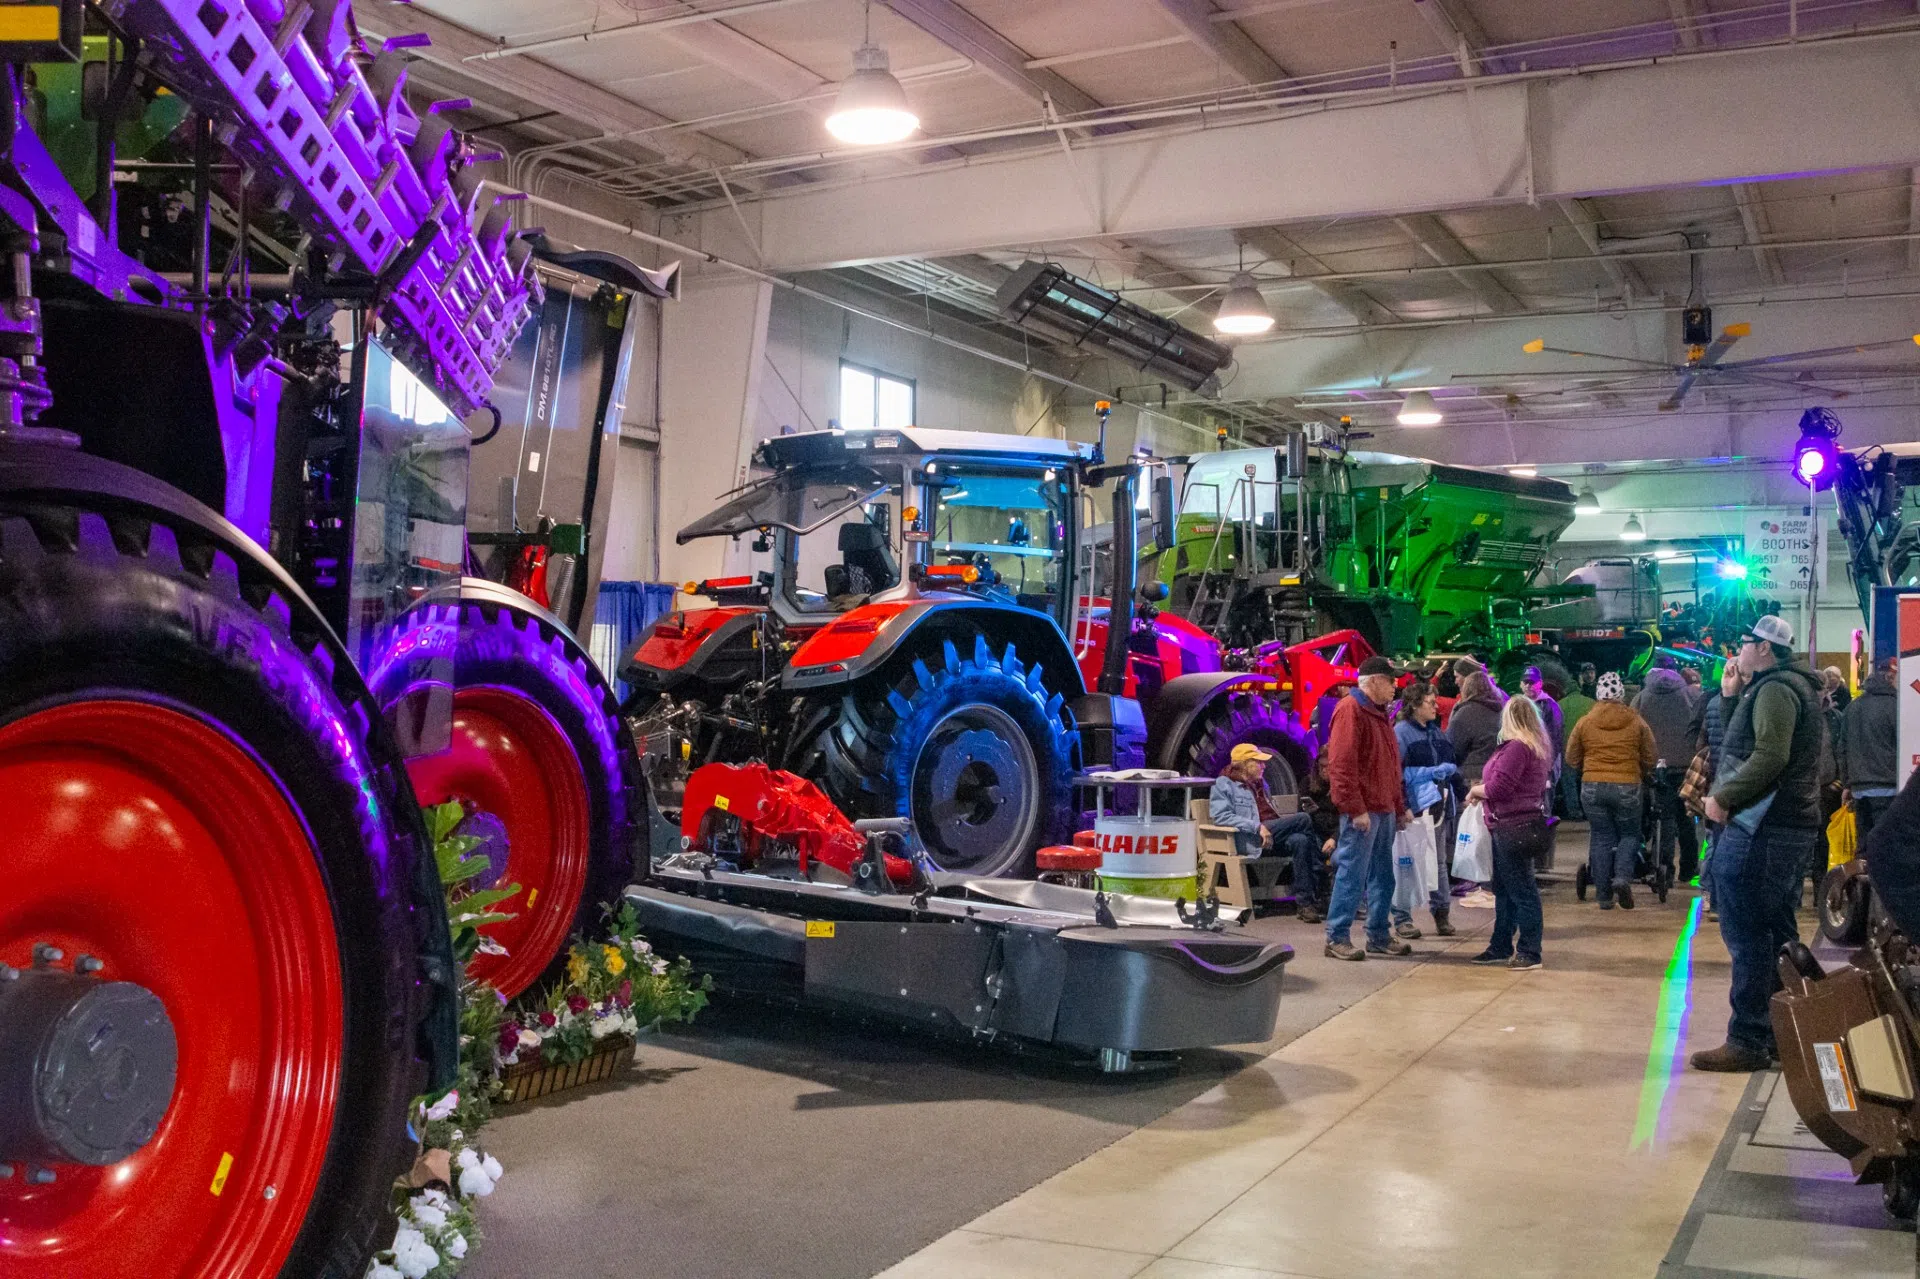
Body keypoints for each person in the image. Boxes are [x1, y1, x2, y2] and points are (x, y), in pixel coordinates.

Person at [1692, 615, 1825, 1073]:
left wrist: (1724, 797)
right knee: (1773, 929)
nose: (1739, 650)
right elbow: (1744, 746)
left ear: (1765, 648)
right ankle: (1780, 1033)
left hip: (1764, 827)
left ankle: (1748, 1038)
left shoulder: (1777, 690)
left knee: (1748, 931)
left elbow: (1769, 756)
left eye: (1746, 642)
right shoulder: (1779, 687)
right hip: (1781, 826)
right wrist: (1730, 698)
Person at [1322, 655, 1411, 961]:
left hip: (1382, 809)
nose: (1395, 686)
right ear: (1373, 681)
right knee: (1352, 874)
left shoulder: (1377, 712)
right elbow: (1341, 765)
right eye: (1390, 680)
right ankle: (1336, 937)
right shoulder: (1351, 710)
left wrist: (1398, 807)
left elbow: (1390, 766)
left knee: (1382, 877)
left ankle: (1378, 935)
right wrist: (1355, 808)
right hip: (1365, 811)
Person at [1467, 695, 1555, 970]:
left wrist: (1475, 790)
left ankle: (1529, 951)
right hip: (1516, 824)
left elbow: (1499, 788)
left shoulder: (1517, 748)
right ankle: (1501, 945)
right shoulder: (1534, 746)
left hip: (1511, 826)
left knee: (1522, 891)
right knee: (1506, 890)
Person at [1564, 672, 1656, 909]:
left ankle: (1604, 896)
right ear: (1621, 694)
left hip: (1592, 786)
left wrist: (1587, 766)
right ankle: (1622, 878)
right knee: (1629, 834)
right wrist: (1643, 771)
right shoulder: (1636, 721)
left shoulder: (1585, 722)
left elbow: (1571, 757)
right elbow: (1650, 756)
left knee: (1601, 836)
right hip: (1628, 785)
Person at [1208, 742, 1321, 903]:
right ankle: (1320, 879)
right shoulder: (1224, 784)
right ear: (1245, 764)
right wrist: (1257, 826)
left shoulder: (1260, 784)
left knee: (1300, 840)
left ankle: (1306, 902)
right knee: (1303, 819)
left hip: (1271, 835)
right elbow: (1221, 817)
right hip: (1250, 838)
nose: (1264, 766)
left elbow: (1270, 814)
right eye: (1259, 762)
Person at [1393, 683, 1463, 939]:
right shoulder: (1401, 733)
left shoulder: (1437, 733)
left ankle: (1441, 913)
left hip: (1438, 807)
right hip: (1414, 809)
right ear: (1414, 706)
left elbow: (1451, 766)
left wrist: (1463, 794)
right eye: (1430, 703)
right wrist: (1403, 806)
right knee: (1406, 863)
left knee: (1438, 862)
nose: (1436, 707)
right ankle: (1402, 918)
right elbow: (1395, 774)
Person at [1635, 656, 1699, 885]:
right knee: (1686, 817)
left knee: (1665, 818)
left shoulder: (1641, 697)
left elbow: (1635, 729)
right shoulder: (1690, 695)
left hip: (1657, 767)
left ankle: (1665, 870)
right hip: (1685, 766)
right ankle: (1689, 868)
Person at [1837, 657, 1900, 838]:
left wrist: (1847, 784)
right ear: (1890, 677)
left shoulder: (1852, 707)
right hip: (1888, 787)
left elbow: (1842, 748)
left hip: (1859, 790)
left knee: (1864, 845)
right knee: (1885, 843)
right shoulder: (1896, 706)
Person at [1447, 669, 1506, 782]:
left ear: (1467, 689)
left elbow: (1452, 750)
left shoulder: (1465, 713)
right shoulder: (1501, 711)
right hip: (1496, 774)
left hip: (1470, 778)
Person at [1522, 665, 1564, 813]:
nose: (1528, 685)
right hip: (1525, 761)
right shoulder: (1518, 705)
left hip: (1544, 762)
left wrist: (1548, 765)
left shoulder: (1550, 706)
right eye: (1525, 682)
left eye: (1532, 682)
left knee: (1544, 804)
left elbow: (1555, 738)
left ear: (1540, 683)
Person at [1558, 669, 1597, 820]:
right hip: (1588, 748)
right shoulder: (1591, 703)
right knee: (1588, 779)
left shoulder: (1559, 705)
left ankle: (1574, 811)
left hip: (1567, 748)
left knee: (1569, 781)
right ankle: (1591, 809)